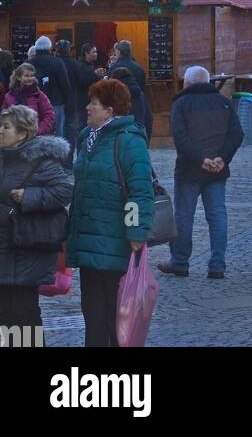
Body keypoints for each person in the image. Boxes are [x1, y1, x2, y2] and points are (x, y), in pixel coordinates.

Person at [66, 78, 154, 347]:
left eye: (94, 103)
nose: (87, 108)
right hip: (88, 238)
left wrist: (136, 231)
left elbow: (140, 190)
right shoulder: (87, 138)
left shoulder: (129, 140)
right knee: (92, 313)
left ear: (110, 110)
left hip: (116, 238)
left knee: (115, 313)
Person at [159, 65, 244, 281]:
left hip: (189, 169)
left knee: (184, 217)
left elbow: (180, 138)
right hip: (217, 170)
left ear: (187, 83)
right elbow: (236, 134)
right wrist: (221, 158)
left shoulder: (182, 103)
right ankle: (217, 265)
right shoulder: (223, 102)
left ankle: (180, 262)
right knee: (217, 216)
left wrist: (201, 160)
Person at [0, 105, 73, 336]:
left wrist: (29, 196)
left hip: (25, 249)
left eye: (6, 127)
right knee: (5, 316)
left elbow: (64, 191)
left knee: (23, 315)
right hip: (4, 249)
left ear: (23, 133)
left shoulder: (41, 161)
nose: (0, 131)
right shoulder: (3, 158)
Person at [30, 36, 71, 141]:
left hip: (34, 103)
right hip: (56, 102)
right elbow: (64, 84)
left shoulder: (29, 63)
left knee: (36, 132)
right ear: (50, 48)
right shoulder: (57, 62)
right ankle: (57, 156)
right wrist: (66, 100)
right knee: (57, 134)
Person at [3, 63, 55, 136]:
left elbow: (49, 116)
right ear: (19, 77)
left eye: (32, 76)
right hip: (15, 139)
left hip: (35, 138)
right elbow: (4, 117)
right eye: (26, 76)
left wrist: (38, 131)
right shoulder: (9, 96)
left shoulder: (39, 95)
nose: (30, 78)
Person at [110, 66, 153, 142]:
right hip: (138, 131)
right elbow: (149, 117)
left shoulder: (116, 95)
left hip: (120, 134)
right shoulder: (140, 93)